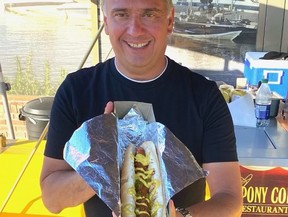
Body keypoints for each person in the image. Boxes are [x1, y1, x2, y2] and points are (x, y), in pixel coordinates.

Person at [40, 0, 243, 216]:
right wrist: (100, 166)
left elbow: (230, 201)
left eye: (150, 14)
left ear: (169, 21)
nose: (135, 30)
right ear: (107, 22)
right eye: (121, 14)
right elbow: (52, 199)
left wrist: (181, 216)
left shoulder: (204, 96)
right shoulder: (75, 91)